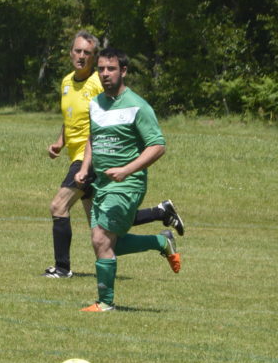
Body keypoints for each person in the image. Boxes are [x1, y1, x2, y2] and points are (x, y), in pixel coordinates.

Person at [45, 30, 185, 279]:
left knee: (59, 206)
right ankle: (160, 222)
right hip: (81, 158)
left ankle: (62, 268)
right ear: (70, 53)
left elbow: (114, 115)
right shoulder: (66, 82)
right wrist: (60, 142)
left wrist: (94, 164)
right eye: (77, 51)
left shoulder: (99, 82)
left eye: (87, 53)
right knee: (106, 232)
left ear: (94, 58)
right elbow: (72, 117)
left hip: (91, 159)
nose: (81, 56)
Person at [75, 47, 182, 312]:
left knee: (102, 239)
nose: (105, 73)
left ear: (123, 71)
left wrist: (127, 170)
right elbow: (93, 139)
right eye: (101, 69)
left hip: (127, 184)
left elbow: (157, 146)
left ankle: (105, 303)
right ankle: (161, 242)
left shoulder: (138, 106)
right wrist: (84, 168)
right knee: (107, 243)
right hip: (101, 184)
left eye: (111, 69)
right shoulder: (96, 104)